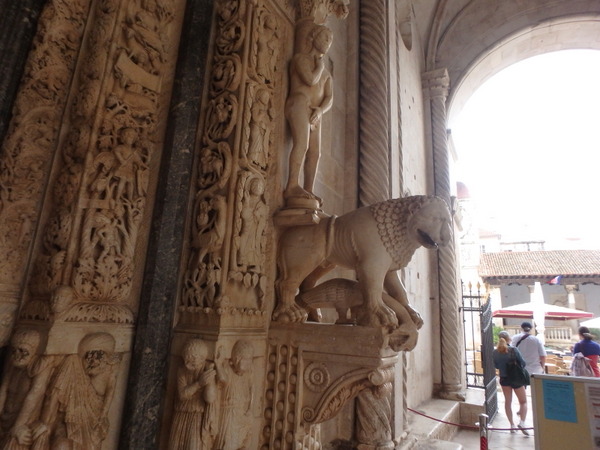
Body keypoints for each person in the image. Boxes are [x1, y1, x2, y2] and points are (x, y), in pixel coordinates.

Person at [284, 23, 333, 202]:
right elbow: (310, 79)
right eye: (325, 37)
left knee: (315, 152)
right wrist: (319, 67)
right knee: (302, 144)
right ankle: (291, 186)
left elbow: (329, 97)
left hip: (315, 112)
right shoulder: (301, 59)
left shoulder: (327, 74)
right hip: (298, 103)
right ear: (314, 37)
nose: (328, 42)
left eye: (331, 40)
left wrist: (320, 110)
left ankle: (308, 189)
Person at [493, 331, 529, 435]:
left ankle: (512, 425)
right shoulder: (513, 350)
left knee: (508, 402)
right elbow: (523, 363)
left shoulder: (495, 352)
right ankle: (522, 422)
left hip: (504, 378)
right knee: (523, 401)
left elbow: (496, 366)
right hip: (516, 378)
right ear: (509, 339)